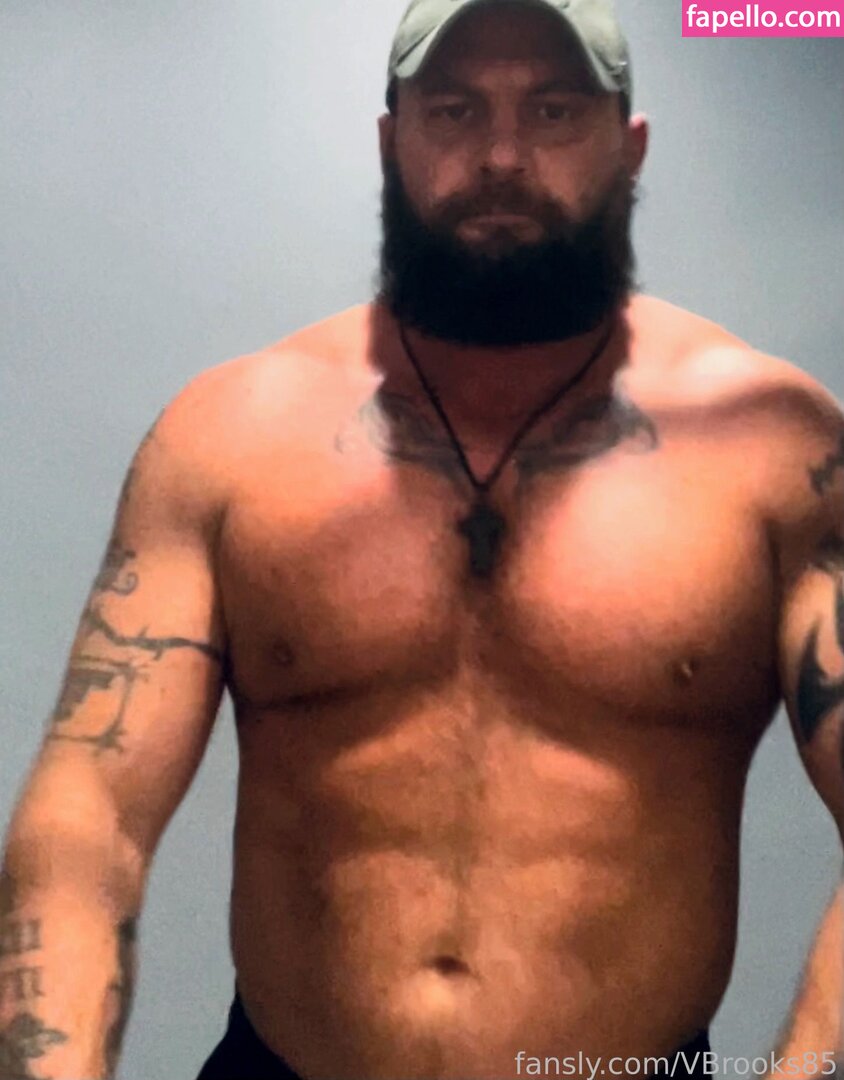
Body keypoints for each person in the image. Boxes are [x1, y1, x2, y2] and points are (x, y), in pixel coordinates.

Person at [1, 0, 842, 1077]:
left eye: (553, 110)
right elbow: (90, 812)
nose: (502, 156)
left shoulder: (775, 449)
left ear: (629, 148)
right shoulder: (232, 437)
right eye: (454, 110)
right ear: (389, 139)